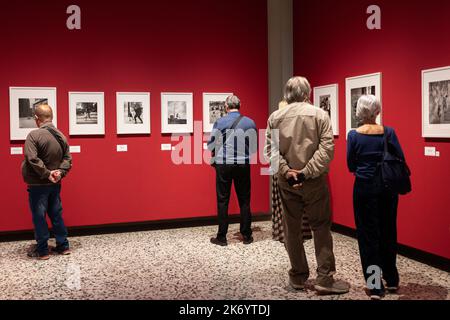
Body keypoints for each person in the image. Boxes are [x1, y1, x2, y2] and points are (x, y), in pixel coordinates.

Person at [265, 76, 349, 294]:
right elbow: (327, 149)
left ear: (288, 94)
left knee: (291, 229)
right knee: (321, 227)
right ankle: (325, 279)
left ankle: (298, 276)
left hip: (287, 181)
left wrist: (287, 171)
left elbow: (271, 151)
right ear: (306, 93)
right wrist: (306, 172)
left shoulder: (275, 117)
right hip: (314, 181)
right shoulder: (320, 115)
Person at [347, 95, 405, 300]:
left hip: (364, 188)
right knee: (388, 231)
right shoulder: (389, 132)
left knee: (368, 236)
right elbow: (399, 159)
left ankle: (375, 286)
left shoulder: (353, 135)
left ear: (359, 112)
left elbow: (351, 165)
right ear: (377, 111)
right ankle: (392, 279)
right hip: (388, 188)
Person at [22, 104, 73, 260]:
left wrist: (46, 173)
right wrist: (59, 173)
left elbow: (32, 159)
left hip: (38, 185)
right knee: (56, 214)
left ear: (37, 119)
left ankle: (43, 250)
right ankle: (63, 246)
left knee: (39, 216)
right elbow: (68, 159)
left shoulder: (33, 135)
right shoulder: (61, 136)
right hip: (55, 184)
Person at [208, 95, 257, 246]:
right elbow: (254, 146)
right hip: (243, 164)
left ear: (226, 106)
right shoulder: (250, 122)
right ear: (240, 104)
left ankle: (222, 237)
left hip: (224, 164)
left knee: (223, 200)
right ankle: (247, 235)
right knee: (244, 199)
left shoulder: (220, 122)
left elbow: (211, 145)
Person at [270, 100, 312, 243]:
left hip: (283, 168)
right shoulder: (304, 122)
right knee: (298, 204)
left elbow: (273, 149)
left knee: (285, 204)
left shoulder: (276, 121)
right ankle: (300, 232)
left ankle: (283, 233)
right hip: (297, 167)